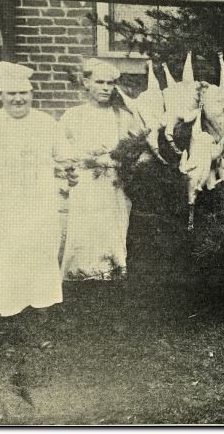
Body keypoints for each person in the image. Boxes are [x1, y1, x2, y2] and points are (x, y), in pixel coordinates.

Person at [0, 62, 66, 316]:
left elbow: (65, 157)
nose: (18, 99)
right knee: (2, 257)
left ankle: (42, 316)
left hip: (38, 204)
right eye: (11, 93)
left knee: (40, 255)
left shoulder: (46, 123)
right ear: (0, 96)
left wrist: (68, 172)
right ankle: (5, 316)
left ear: (31, 94)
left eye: (23, 93)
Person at [59, 59, 139, 281]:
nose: (106, 88)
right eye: (100, 82)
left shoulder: (123, 117)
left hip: (114, 186)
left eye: (110, 83)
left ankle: (112, 280)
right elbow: (59, 152)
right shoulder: (72, 116)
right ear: (86, 83)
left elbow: (135, 152)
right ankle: (79, 281)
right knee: (84, 235)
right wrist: (86, 155)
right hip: (85, 185)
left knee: (113, 235)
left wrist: (118, 159)